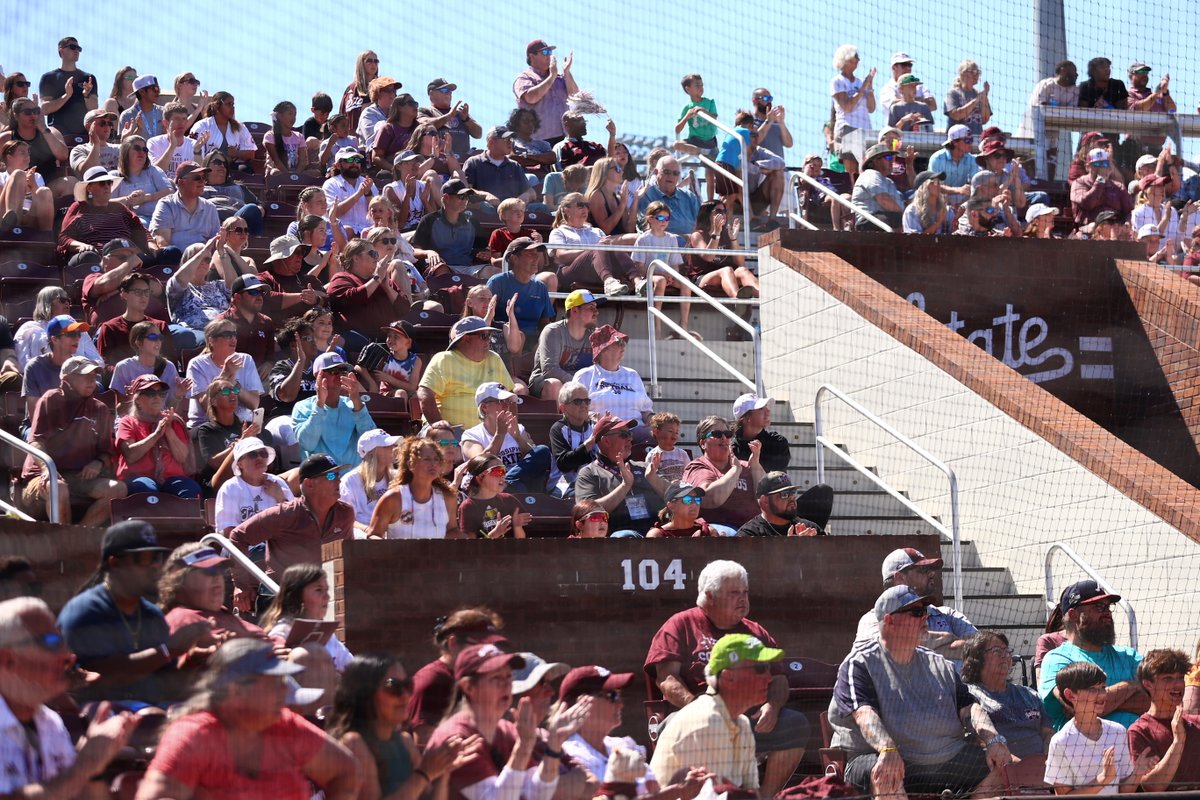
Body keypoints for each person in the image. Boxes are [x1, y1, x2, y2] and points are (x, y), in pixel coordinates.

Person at [644, 560, 807, 798]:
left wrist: (772, 706)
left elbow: (779, 678)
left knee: (796, 723)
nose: (743, 599)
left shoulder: (754, 631)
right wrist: (699, 708)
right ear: (710, 596)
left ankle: (766, 795)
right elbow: (666, 679)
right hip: (694, 712)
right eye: (733, 593)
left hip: (747, 716)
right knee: (681, 723)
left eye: (745, 592)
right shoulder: (682, 624)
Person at [835, 586, 1014, 798]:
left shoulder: (940, 664)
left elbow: (970, 707)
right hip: (880, 757)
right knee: (886, 772)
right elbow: (864, 715)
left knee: (1000, 767)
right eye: (917, 612)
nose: (925, 617)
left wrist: (993, 739)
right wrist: (887, 748)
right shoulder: (861, 663)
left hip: (943, 760)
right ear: (890, 621)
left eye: (925, 611)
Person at [134, 638, 360, 800]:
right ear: (235, 690)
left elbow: (346, 771)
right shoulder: (194, 734)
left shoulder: (285, 724)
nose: (284, 691)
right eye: (273, 682)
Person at [0, 596, 139, 796]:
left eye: (62, 641)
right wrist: (86, 764)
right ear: (7, 660)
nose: (68, 655)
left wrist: (94, 769)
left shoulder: (50, 722)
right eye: (51, 642)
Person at [57, 520, 205, 704]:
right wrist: (169, 649)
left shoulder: (151, 614)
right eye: (144, 558)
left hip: (151, 718)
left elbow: (166, 682)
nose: (155, 566)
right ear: (115, 563)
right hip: (98, 720)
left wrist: (194, 660)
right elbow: (102, 678)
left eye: (156, 557)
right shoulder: (85, 611)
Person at [424, 643, 585, 800]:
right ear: (468, 687)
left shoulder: (506, 729)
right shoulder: (456, 736)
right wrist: (523, 747)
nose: (506, 685)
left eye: (508, 677)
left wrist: (554, 743)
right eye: (496, 678)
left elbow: (538, 795)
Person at [330, 654, 482, 800]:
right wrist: (424, 773)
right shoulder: (353, 743)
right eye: (393, 686)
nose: (405, 695)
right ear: (365, 693)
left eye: (408, 685)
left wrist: (444, 771)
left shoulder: (405, 741)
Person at [228, 453, 355, 612]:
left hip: (323, 598)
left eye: (338, 475)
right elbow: (237, 537)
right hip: (280, 597)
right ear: (309, 484)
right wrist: (240, 586)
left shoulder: (345, 513)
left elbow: (348, 555)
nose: (339, 480)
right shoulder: (283, 515)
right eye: (331, 475)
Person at [18, 355, 125, 525]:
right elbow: (36, 441)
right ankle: (64, 540)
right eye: (85, 376)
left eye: (94, 376)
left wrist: (98, 462)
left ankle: (78, 536)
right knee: (58, 487)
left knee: (118, 489)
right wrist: (47, 469)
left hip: (79, 477)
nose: (92, 380)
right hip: (44, 475)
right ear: (67, 379)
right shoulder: (50, 399)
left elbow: (107, 450)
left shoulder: (100, 408)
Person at [1040, 579, 1148, 731]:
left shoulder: (1129, 656)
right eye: (1099, 607)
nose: (1107, 613)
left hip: (1139, 748)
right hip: (1086, 751)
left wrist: (1098, 703)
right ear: (1074, 615)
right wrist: (1131, 685)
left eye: (1108, 607)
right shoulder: (1056, 660)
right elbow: (1081, 709)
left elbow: (1160, 699)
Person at [960, 631, 1053, 789]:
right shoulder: (968, 696)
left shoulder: (1029, 694)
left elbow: (1048, 733)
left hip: (1043, 771)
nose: (1005, 656)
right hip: (999, 775)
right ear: (976, 659)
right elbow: (976, 740)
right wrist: (1022, 768)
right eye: (997, 651)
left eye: (1007, 651)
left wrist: (1048, 761)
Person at [1044, 662, 1153, 794]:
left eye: (1102, 687)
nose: (1102, 694)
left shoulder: (1118, 731)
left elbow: (1123, 791)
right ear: (1070, 695)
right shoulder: (1060, 741)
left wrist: (1137, 773)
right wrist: (1103, 779)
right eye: (1092, 689)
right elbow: (1064, 796)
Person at [853, 547, 978, 662]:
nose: (932, 573)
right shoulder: (872, 619)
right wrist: (949, 638)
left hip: (962, 685)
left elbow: (979, 648)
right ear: (900, 578)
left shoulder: (948, 614)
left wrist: (916, 646)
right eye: (923, 569)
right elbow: (890, 648)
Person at [560, 665, 665, 796]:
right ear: (581, 702)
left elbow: (654, 791)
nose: (620, 704)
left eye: (619, 694)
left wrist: (678, 786)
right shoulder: (566, 755)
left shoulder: (623, 745)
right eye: (612, 695)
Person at [407, 608, 507, 746]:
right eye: (480, 646)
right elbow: (425, 748)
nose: (488, 653)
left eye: (491, 647)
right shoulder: (432, 680)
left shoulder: (477, 677)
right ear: (453, 643)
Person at [158, 543, 273, 656]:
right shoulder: (185, 619)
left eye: (220, 570)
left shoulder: (219, 612)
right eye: (209, 571)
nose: (217, 576)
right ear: (180, 580)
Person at [418, 316, 515, 428]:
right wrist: (438, 425)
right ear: (466, 339)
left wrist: (512, 427)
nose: (489, 340)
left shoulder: (494, 358)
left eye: (490, 335)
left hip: (487, 433)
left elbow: (510, 396)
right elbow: (424, 393)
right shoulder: (444, 359)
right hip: (450, 432)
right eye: (484, 336)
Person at [115, 373, 200, 498]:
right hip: (138, 478)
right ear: (137, 399)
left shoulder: (171, 420)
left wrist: (169, 430)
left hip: (171, 478)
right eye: (150, 393)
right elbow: (130, 455)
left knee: (190, 490)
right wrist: (156, 434)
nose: (157, 397)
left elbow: (182, 457)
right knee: (147, 489)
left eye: (161, 394)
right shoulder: (128, 422)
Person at [548, 193, 647, 297]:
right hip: (569, 272)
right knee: (599, 247)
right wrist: (593, 248)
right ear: (566, 210)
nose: (585, 209)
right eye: (581, 205)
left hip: (596, 272)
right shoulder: (558, 232)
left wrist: (600, 247)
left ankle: (637, 281)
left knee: (612, 248)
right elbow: (561, 256)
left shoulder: (596, 231)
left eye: (587, 205)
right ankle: (609, 281)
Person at [1128, 648, 1200, 791]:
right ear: (1148, 684)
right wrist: (1178, 741)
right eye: (1168, 678)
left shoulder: (1197, 722)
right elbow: (1152, 787)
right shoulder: (1139, 731)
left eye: (1180, 677)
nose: (1178, 684)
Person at [461, 382, 551, 493]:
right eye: (500, 401)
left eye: (507, 401)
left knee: (543, 450)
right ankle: (507, 484)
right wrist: (500, 434)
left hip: (521, 483)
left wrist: (518, 437)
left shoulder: (518, 428)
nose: (506, 405)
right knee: (520, 488)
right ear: (484, 407)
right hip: (491, 489)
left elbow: (535, 460)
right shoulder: (471, 435)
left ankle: (508, 482)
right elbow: (480, 465)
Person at [292, 352, 376, 468]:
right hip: (321, 479)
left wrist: (357, 400)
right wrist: (320, 405)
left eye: (343, 372)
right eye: (334, 371)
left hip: (353, 480)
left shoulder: (354, 404)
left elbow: (373, 442)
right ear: (318, 375)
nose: (339, 376)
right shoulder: (302, 407)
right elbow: (308, 444)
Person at [681, 416, 764, 531]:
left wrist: (755, 465)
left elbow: (766, 497)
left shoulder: (745, 465)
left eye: (727, 434)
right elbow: (710, 498)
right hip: (719, 531)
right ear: (703, 443)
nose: (724, 438)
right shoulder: (698, 467)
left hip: (754, 529)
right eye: (717, 434)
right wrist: (735, 470)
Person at [367, 436, 459, 540]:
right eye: (427, 459)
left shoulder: (448, 498)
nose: (433, 464)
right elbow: (373, 535)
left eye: (436, 459)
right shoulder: (393, 498)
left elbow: (452, 530)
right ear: (410, 463)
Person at [572, 325, 654, 437]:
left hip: (636, 430)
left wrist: (654, 420)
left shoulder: (632, 375)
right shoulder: (585, 376)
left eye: (623, 342)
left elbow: (646, 410)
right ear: (603, 349)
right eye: (618, 343)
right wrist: (594, 417)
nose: (623, 345)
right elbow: (573, 410)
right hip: (603, 431)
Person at [184, 317, 263, 428]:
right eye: (227, 335)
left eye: (234, 334)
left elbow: (254, 404)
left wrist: (233, 382)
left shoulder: (246, 360)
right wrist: (225, 375)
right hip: (208, 426)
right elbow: (207, 406)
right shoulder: (197, 364)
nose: (233, 339)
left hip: (243, 424)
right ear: (211, 340)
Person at [214, 436, 293, 536]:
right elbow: (228, 532)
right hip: (241, 547)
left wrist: (282, 498)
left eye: (263, 453)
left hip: (275, 547)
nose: (259, 457)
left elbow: (295, 521)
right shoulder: (230, 488)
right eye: (252, 454)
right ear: (240, 464)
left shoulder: (277, 483)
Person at [530, 290, 599, 406]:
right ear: (574, 310)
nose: (596, 312)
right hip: (545, 382)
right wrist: (579, 385)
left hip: (579, 385)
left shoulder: (594, 335)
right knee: (555, 385)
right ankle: (557, 424)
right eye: (591, 307)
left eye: (596, 308)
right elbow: (550, 370)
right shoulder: (553, 331)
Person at [412, 178, 491, 278]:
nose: (465, 200)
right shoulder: (429, 220)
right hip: (440, 266)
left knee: (493, 271)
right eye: (461, 197)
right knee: (442, 271)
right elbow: (414, 250)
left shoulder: (472, 221)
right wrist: (428, 252)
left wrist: (485, 254)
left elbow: (482, 248)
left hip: (468, 268)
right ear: (446, 197)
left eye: (467, 197)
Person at [488, 238, 555, 342]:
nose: (536, 258)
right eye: (530, 254)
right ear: (514, 258)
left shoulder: (540, 287)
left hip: (533, 343)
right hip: (503, 341)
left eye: (537, 254)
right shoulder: (497, 282)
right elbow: (485, 316)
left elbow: (544, 322)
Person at [686, 200, 756, 299]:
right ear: (707, 214)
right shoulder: (697, 235)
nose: (723, 214)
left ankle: (767, 300)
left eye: (725, 211)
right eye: (718, 211)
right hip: (702, 278)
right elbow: (709, 257)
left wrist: (733, 238)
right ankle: (738, 301)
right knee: (726, 270)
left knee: (742, 270)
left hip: (728, 275)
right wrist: (716, 234)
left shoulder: (727, 234)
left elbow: (740, 262)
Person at [514, 39, 577, 143]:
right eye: (544, 52)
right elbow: (531, 98)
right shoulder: (525, 78)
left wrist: (567, 72)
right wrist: (551, 76)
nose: (548, 56)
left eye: (549, 52)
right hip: (538, 142)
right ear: (532, 56)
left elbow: (575, 97)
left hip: (566, 139)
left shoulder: (559, 77)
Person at [735, 471, 834, 537]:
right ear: (765, 501)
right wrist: (787, 548)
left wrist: (811, 546)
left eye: (792, 492)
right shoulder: (749, 534)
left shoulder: (810, 529)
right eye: (784, 494)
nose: (792, 497)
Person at [150, 161, 221, 252]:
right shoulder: (166, 205)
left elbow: (215, 245)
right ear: (181, 182)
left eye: (204, 177)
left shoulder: (210, 208)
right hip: (176, 262)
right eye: (197, 178)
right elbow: (163, 244)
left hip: (203, 261)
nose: (202, 181)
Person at [340, 428, 400, 534]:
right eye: (386, 446)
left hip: (392, 535)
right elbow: (345, 519)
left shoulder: (397, 477)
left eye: (393, 445)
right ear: (371, 453)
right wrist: (370, 531)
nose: (393, 448)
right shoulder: (350, 481)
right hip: (363, 537)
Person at [457, 454, 531, 539]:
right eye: (497, 471)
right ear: (480, 477)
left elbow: (523, 544)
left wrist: (517, 527)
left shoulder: (509, 500)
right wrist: (495, 534)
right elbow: (469, 547)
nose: (503, 475)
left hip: (511, 551)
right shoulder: (468, 506)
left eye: (504, 470)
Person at [38, 36, 97, 138]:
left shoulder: (88, 78)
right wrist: (66, 96)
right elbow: (45, 109)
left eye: (79, 49)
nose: (77, 51)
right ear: (61, 51)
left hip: (84, 134)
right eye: (72, 47)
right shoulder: (48, 78)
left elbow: (94, 109)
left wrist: (86, 95)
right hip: (59, 135)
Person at [191, 91, 257, 172]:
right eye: (228, 104)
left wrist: (237, 153)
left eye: (233, 105)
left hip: (232, 167)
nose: (232, 107)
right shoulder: (202, 125)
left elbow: (251, 153)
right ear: (216, 106)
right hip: (207, 167)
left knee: (246, 169)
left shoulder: (240, 127)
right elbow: (191, 150)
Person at [637, 156, 700, 236]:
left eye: (675, 173)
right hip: (661, 245)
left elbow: (703, 225)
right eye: (666, 172)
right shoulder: (646, 195)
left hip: (691, 245)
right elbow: (646, 228)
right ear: (656, 172)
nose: (671, 176)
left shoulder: (690, 197)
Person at [829, 44, 875, 154]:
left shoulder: (859, 82)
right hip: (847, 129)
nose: (858, 59)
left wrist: (870, 87)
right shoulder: (837, 81)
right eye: (855, 56)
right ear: (845, 58)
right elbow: (847, 107)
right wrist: (863, 87)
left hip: (865, 130)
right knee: (850, 169)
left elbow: (871, 108)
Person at [0, 139, 55, 230]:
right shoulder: (1, 176)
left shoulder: (36, 176)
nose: (28, 156)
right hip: (3, 215)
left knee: (44, 191)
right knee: (19, 174)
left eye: (28, 153)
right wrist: (17, 183)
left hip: (30, 214)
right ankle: (11, 221)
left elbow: (41, 201)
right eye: (22, 153)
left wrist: (32, 184)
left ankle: (46, 236)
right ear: (9, 157)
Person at [323, 147, 378, 236]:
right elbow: (334, 213)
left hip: (368, 231)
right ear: (338, 165)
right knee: (347, 230)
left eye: (357, 160)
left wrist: (368, 193)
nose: (354, 163)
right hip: (343, 233)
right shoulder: (330, 184)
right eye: (349, 160)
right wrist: (358, 194)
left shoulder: (367, 182)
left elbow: (378, 211)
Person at [851, 143, 904, 229]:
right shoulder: (870, 174)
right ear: (876, 161)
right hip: (868, 221)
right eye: (888, 158)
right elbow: (884, 201)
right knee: (902, 219)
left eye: (892, 158)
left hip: (885, 220)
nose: (892, 161)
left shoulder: (888, 181)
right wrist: (906, 216)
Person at [730, 393, 787, 472]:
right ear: (747, 417)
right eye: (760, 409)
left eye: (765, 407)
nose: (768, 411)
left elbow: (773, 479)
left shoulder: (778, 443)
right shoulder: (731, 449)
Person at [928, 125, 979, 202]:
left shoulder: (973, 159)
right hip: (939, 199)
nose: (971, 143)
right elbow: (933, 185)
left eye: (971, 140)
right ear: (955, 142)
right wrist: (957, 190)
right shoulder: (937, 158)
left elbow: (974, 184)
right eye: (967, 141)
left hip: (963, 201)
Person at [646, 481, 714, 538]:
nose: (694, 504)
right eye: (687, 500)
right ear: (671, 506)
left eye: (697, 499)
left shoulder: (708, 532)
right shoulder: (657, 535)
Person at [944, 60, 991, 135]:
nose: (977, 75)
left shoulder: (979, 94)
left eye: (978, 72)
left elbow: (985, 119)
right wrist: (976, 100)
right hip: (958, 139)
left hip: (976, 139)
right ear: (963, 73)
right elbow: (956, 115)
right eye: (974, 72)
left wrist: (984, 97)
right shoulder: (953, 93)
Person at [119, 74, 165, 139]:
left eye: (158, 89)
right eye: (154, 88)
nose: (157, 92)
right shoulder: (127, 116)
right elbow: (124, 144)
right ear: (142, 92)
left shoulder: (164, 112)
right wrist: (138, 130)